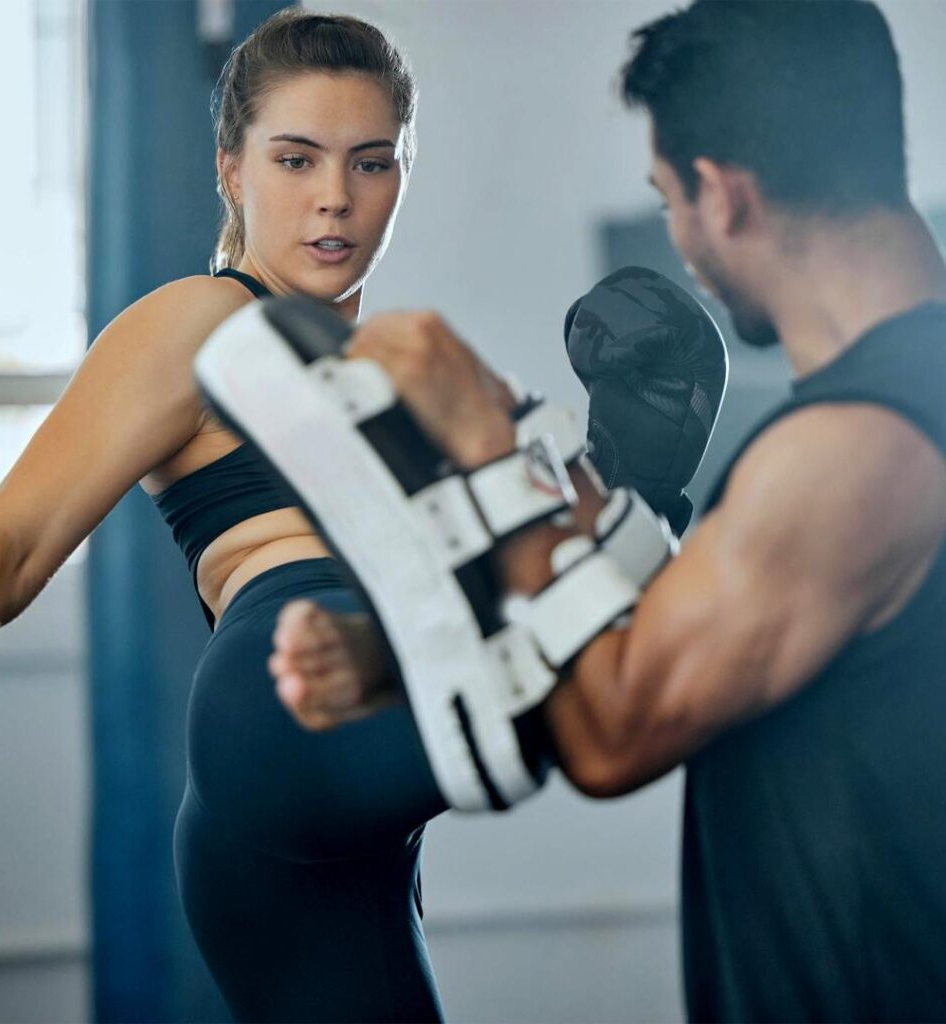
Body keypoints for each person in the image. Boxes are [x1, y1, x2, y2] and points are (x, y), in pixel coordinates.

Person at [264, 2, 946, 1020]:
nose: (678, 235)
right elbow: (686, 642)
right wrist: (403, 653)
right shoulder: (898, 412)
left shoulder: (855, 451)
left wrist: (488, 444)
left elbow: (614, 730)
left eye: (667, 198)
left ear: (723, 196)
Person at [0, 11, 455, 1023]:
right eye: (295, 159)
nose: (334, 197)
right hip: (284, 699)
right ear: (231, 170)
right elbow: (9, 540)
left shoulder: (398, 378)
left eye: (371, 162)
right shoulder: (207, 318)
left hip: (363, 801)